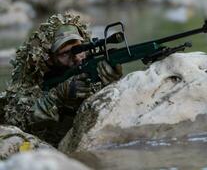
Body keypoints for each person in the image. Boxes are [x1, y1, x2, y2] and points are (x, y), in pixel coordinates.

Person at [2, 12, 122, 146]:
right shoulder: (29, 82)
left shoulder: (88, 68)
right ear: (49, 59)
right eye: (65, 53)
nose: (77, 58)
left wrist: (111, 83)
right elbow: (19, 123)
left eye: (79, 49)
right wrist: (58, 95)